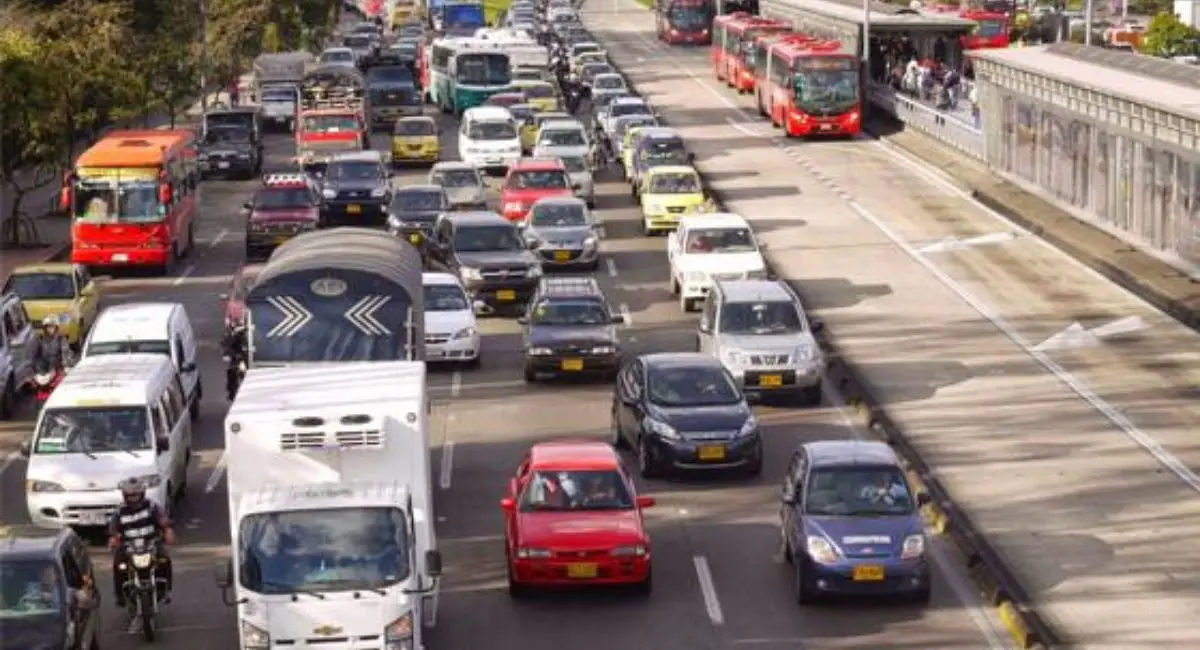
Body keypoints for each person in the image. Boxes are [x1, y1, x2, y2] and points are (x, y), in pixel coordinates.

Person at [108, 477, 175, 608]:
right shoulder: (119, 511)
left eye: (136, 495)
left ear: (142, 494)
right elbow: (113, 528)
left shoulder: (152, 506)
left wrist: (168, 531)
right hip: (129, 547)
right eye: (130, 496)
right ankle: (120, 596)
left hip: (151, 543)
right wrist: (113, 538)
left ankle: (166, 590)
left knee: (165, 560)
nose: (133, 498)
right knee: (119, 566)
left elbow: (163, 521)